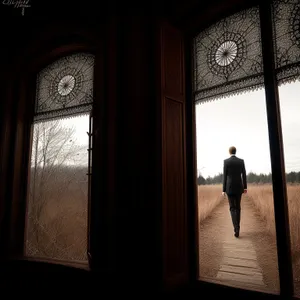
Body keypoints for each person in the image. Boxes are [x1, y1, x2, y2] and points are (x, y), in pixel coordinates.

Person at [222, 146, 247, 237]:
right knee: (238, 208)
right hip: (239, 188)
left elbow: (225, 176)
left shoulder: (226, 162)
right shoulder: (241, 161)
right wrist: (245, 187)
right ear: (235, 151)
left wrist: (223, 189)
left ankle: (236, 228)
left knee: (232, 208)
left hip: (229, 188)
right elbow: (244, 174)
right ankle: (238, 227)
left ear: (229, 152)